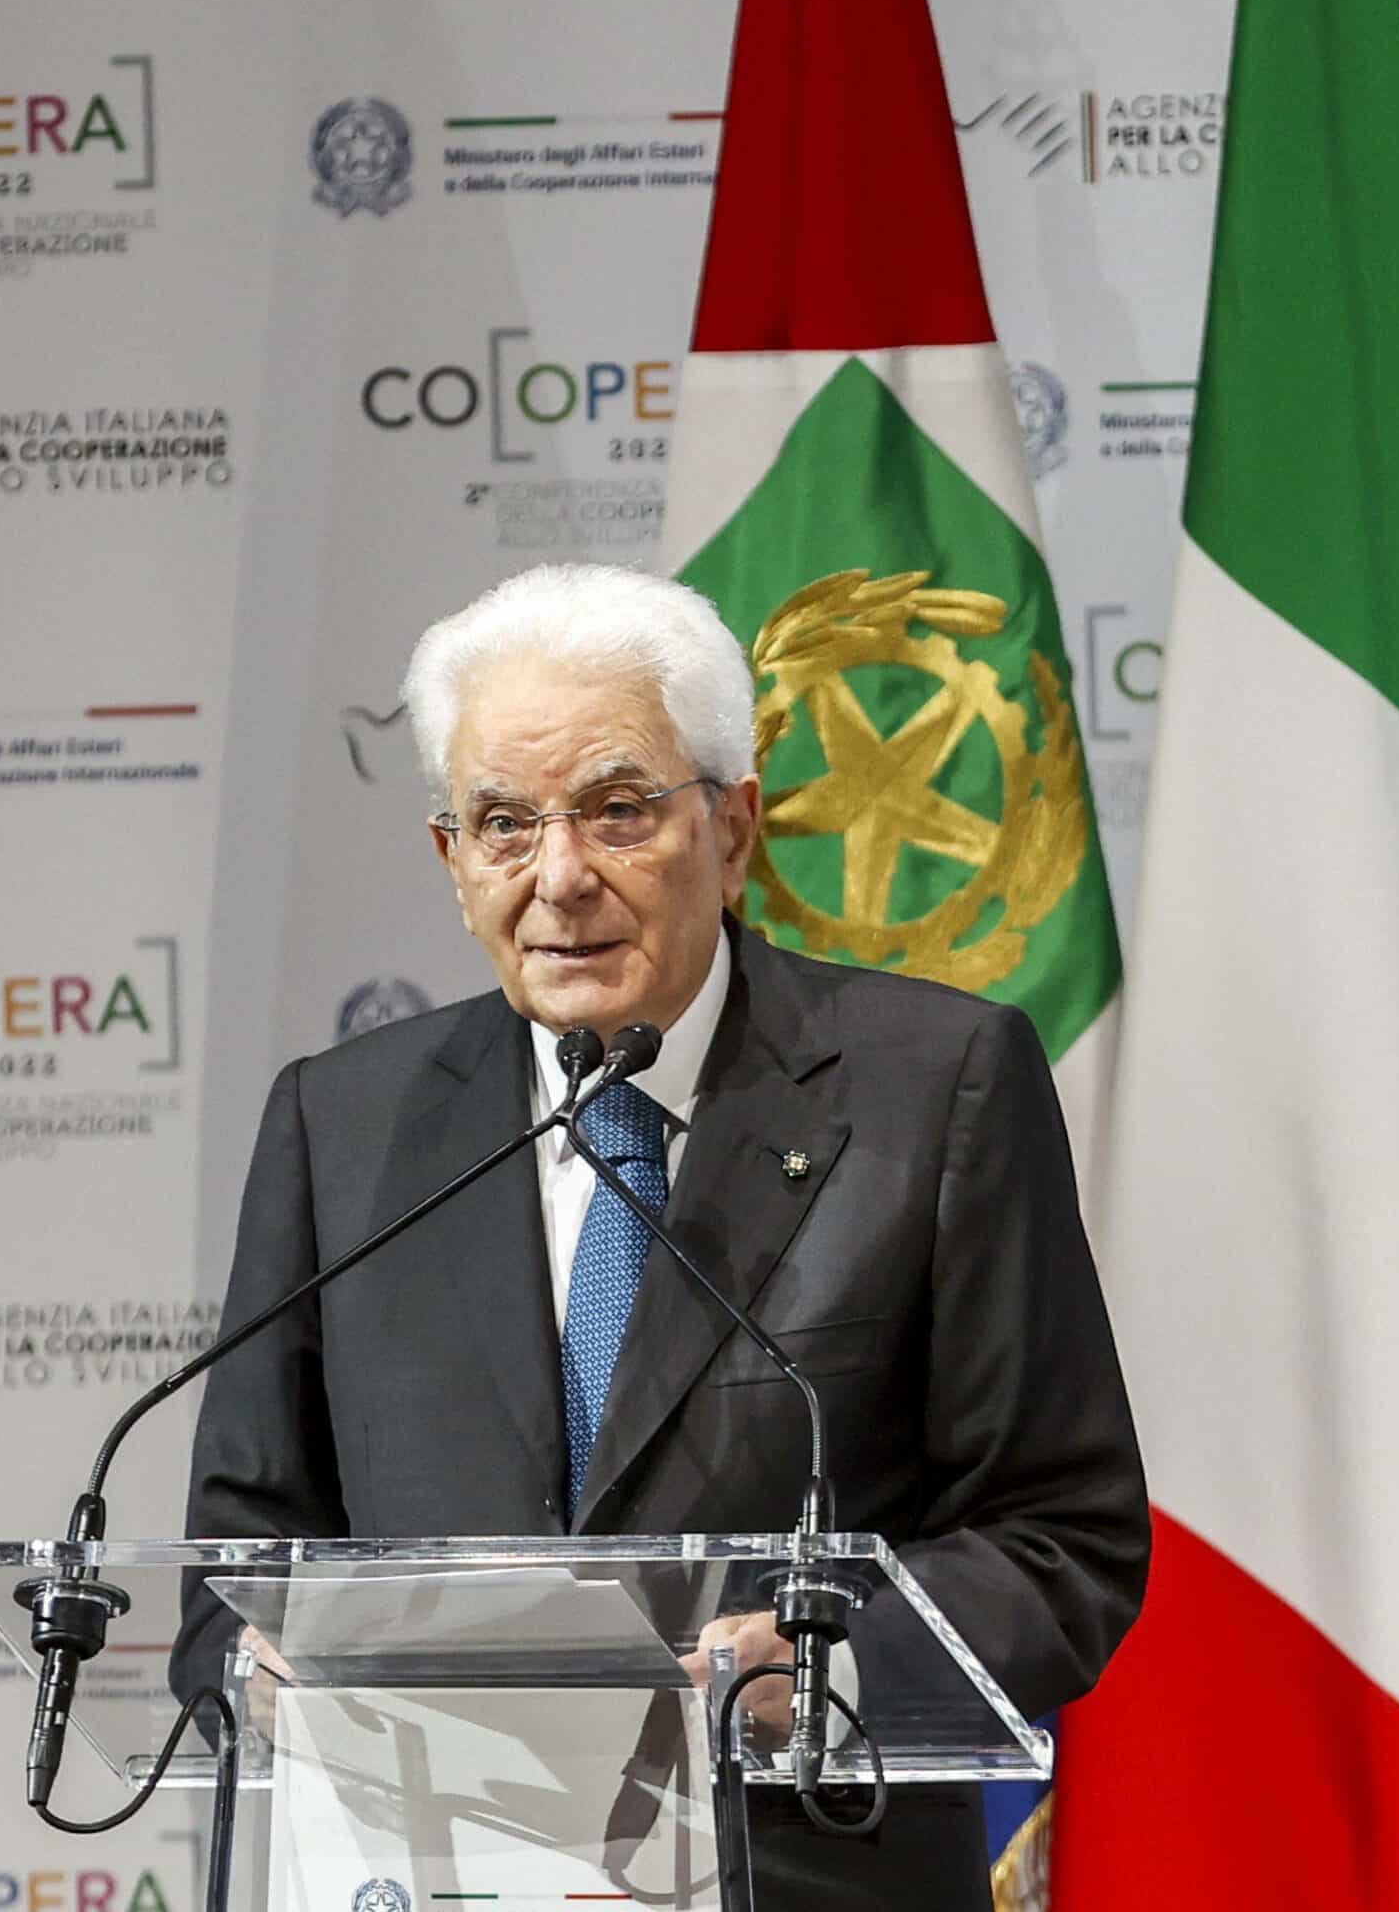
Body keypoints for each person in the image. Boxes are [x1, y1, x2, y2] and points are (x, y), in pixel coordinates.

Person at [171, 562, 1147, 1909]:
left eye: (619, 811)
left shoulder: (937, 1089)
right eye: (505, 824)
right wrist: (257, 1671)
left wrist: (819, 1670)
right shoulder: (343, 1129)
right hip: (425, 1875)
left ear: (734, 830)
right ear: (453, 861)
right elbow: (236, 1561)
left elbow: (1059, 1534)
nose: (560, 877)